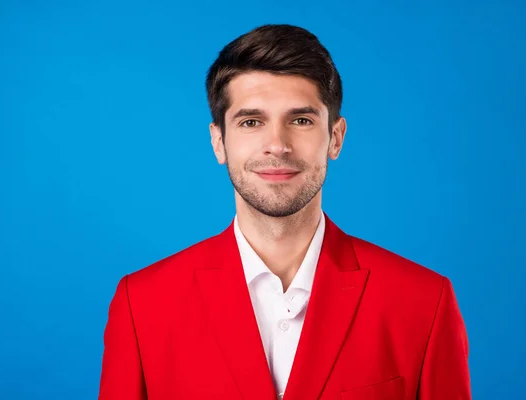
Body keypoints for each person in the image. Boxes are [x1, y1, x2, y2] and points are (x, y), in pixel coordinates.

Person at [98, 24, 471, 400]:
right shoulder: (142, 304)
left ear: (335, 138)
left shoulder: (423, 302)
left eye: (301, 120)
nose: (277, 145)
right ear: (218, 142)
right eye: (251, 122)